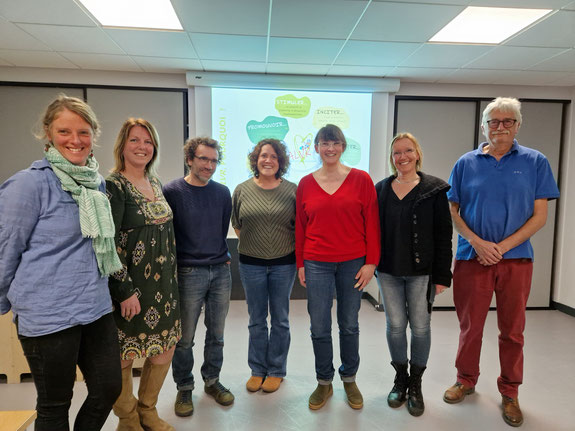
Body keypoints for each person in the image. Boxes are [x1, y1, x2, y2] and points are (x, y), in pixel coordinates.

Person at [0, 94, 122, 430]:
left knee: (108, 388)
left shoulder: (95, 183)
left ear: (93, 136)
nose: (75, 140)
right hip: (48, 313)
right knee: (55, 404)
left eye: (83, 132)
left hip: (95, 307)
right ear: (48, 134)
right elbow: (6, 247)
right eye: (64, 131)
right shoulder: (29, 184)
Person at [443, 97, 559, 427]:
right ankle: (465, 380)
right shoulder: (466, 163)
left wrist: (502, 247)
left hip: (517, 260)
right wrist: (478, 243)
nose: (500, 127)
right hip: (471, 258)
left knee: (512, 331)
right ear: (484, 127)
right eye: (494, 121)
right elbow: (453, 211)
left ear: (518, 125)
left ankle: (510, 392)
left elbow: (540, 217)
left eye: (508, 121)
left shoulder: (536, 162)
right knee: (470, 327)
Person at [296, 124, 380, 410]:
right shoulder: (306, 183)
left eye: (335, 143)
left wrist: (371, 262)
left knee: (349, 324)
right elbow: (301, 227)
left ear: (343, 146)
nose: (330, 148)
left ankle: (349, 378)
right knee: (319, 325)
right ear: (317, 148)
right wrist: (301, 263)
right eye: (324, 143)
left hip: (353, 262)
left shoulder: (361, 179)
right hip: (316, 262)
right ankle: (323, 382)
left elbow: (372, 223)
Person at [106, 119, 181, 431]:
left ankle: (148, 410)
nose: (142, 147)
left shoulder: (157, 183)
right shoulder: (114, 186)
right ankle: (128, 418)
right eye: (135, 140)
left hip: (164, 286)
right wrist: (124, 290)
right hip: (130, 289)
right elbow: (107, 242)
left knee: (164, 349)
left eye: (148, 142)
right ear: (122, 145)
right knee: (122, 356)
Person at [374, 133, 452, 417]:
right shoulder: (381, 189)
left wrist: (443, 275)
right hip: (388, 271)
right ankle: (400, 378)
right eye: (397, 152)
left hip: (422, 273)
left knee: (420, 327)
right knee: (395, 326)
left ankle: (416, 384)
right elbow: (371, 232)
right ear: (391, 157)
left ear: (417, 154)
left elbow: (444, 235)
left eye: (408, 151)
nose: (402, 157)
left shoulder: (434, 189)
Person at [163, 137, 234, 417]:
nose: (209, 165)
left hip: (220, 271)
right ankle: (184, 386)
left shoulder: (222, 192)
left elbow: (221, 228)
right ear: (189, 159)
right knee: (185, 337)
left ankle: (212, 381)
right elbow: (168, 235)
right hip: (188, 272)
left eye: (214, 160)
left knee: (217, 335)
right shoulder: (172, 191)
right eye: (203, 159)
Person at [232, 139, 297, 393]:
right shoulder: (241, 189)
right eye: (263, 156)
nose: (268, 160)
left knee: (280, 319)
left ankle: (277, 370)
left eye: (273, 156)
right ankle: (258, 370)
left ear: (280, 162)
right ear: (255, 160)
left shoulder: (292, 190)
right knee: (256, 319)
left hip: (284, 264)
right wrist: (258, 245)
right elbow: (238, 224)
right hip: (251, 264)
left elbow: (297, 226)